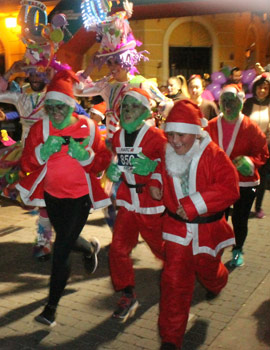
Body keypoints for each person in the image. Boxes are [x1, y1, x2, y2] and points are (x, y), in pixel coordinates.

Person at [17, 69, 112, 326]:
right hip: (52, 197)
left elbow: (103, 160)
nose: (56, 111)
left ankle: (51, 308)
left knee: (60, 250)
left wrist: (88, 158)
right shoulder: (41, 128)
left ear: (72, 105)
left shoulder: (90, 128)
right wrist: (41, 152)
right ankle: (90, 248)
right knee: (67, 241)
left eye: (62, 106)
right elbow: (26, 162)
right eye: (51, 106)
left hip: (80, 199)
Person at [148, 99, 239, 350]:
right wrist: (156, 183)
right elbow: (161, 169)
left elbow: (229, 188)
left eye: (181, 135)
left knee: (208, 269)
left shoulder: (213, 155)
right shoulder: (168, 151)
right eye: (171, 134)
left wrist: (194, 204)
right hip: (177, 230)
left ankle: (218, 280)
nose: (175, 141)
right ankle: (171, 338)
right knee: (173, 282)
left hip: (207, 230)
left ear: (195, 133)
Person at [106, 88, 166, 323]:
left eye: (133, 106)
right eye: (125, 107)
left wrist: (153, 169)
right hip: (128, 202)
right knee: (118, 249)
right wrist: (112, 169)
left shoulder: (157, 137)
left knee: (161, 249)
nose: (128, 111)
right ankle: (127, 293)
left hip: (151, 203)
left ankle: (179, 276)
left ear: (145, 111)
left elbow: (170, 165)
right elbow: (118, 160)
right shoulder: (118, 136)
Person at [207, 85, 269, 267]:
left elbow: (263, 153)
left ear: (241, 102)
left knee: (240, 220)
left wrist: (251, 162)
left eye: (232, 100)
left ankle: (237, 249)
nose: (227, 105)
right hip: (220, 184)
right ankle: (216, 249)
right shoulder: (211, 126)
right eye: (224, 100)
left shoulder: (250, 127)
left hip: (245, 182)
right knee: (218, 219)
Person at [243, 73, 270, 218]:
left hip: (266, 146)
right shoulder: (249, 103)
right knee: (248, 177)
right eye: (260, 88)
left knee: (262, 178)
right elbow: (244, 122)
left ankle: (258, 206)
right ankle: (245, 204)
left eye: (265, 88)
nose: (262, 91)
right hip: (250, 146)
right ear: (255, 88)